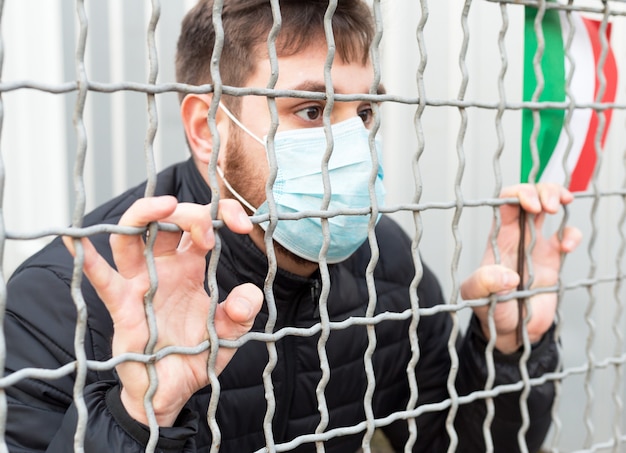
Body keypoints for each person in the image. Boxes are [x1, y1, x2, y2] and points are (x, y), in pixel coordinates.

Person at [4, 0, 583, 451]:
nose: (351, 143)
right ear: (209, 129)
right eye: (310, 110)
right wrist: (140, 416)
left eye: (363, 113)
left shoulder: (385, 261)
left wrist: (510, 349)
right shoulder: (64, 299)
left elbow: (453, 442)